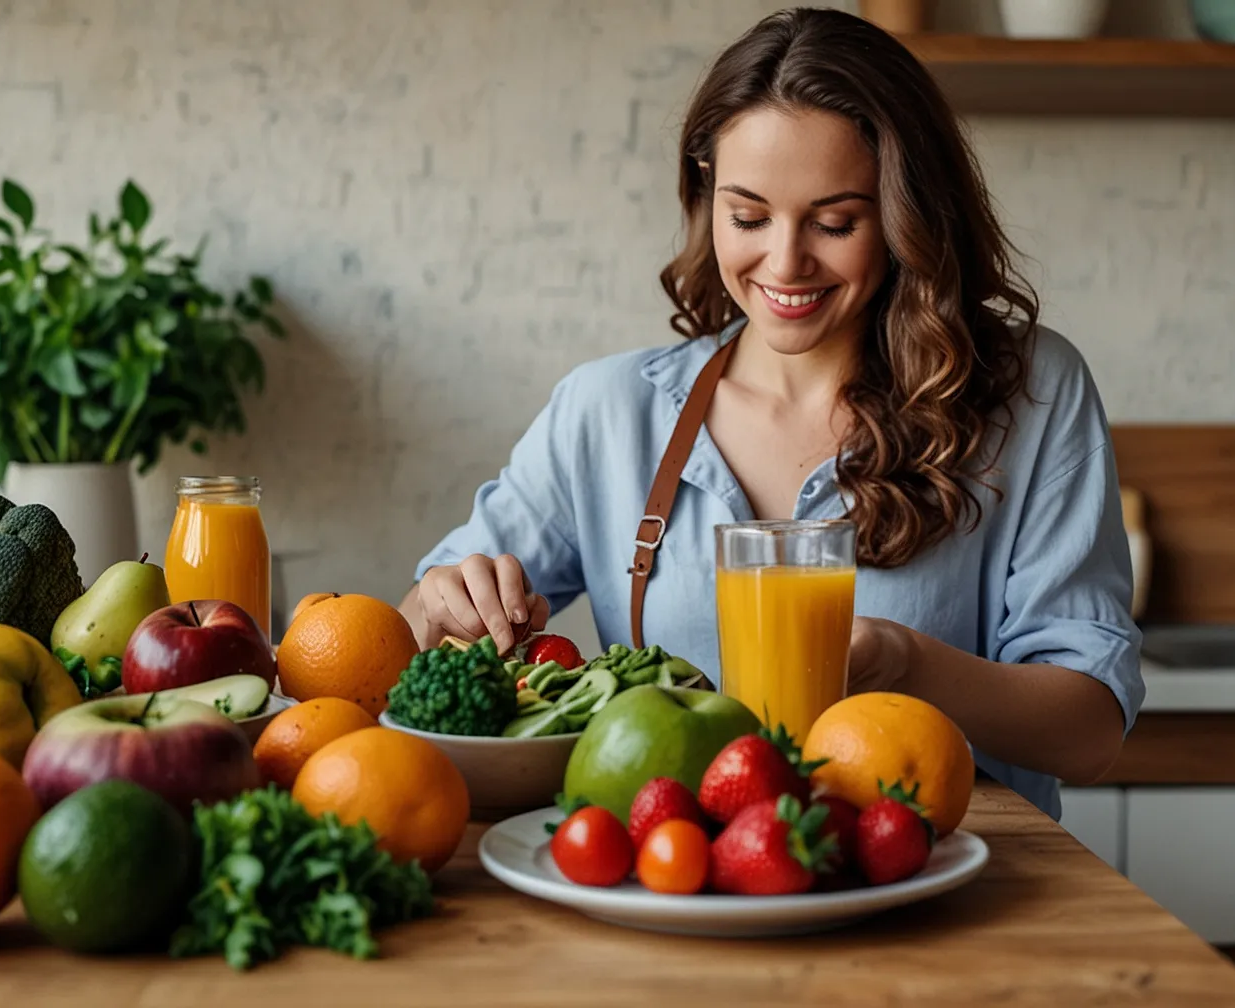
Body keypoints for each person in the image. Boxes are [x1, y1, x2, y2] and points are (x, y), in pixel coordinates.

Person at [398, 7, 1142, 821]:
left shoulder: (1029, 394)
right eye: (748, 217)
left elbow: (1090, 734)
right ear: (705, 195)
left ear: (905, 219)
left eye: (834, 222)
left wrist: (904, 663)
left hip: (948, 893)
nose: (785, 262)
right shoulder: (610, 413)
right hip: (677, 878)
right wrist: (446, 604)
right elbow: (411, 640)